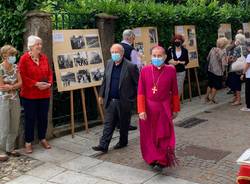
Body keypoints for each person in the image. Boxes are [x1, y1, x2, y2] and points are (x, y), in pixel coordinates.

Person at [138, 46, 180, 171]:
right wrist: (141, 110)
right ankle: (152, 158)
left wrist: (175, 109)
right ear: (151, 57)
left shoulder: (170, 70)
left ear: (165, 57)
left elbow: (175, 91)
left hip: (164, 108)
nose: (156, 58)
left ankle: (162, 160)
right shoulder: (145, 70)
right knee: (149, 135)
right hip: (148, 109)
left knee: (164, 134)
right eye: (154, 56)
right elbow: (140, 92)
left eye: (159, 55)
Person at [92, 44, 139, 153]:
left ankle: (123, 142)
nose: (114, 55)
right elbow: (105, 80)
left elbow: (138, 84)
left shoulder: (131, 66)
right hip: (111, 100)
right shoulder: (109, 63)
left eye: (116, 52)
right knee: (108, 123)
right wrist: (101, 95)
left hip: (124, 101)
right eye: (112, 52)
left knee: (123, 124)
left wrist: (132, 99)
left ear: (122, 53)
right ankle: (103, 145)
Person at [19, 35, 53, 154]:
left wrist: (49, 83)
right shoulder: (24, 59)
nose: (40, 46)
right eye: (37, 44)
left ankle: (42, 138)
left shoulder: (44, 58)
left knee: (43, 117)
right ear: (31, 46)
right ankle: (28, 142)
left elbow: (50, 72)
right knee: (30, 119)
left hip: (44, 94)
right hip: (30, 95)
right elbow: (22, 76)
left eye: (40, 44)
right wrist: (36, 84)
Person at [0, 45, 22, 161]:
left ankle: (10, 148)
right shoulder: (0, 68)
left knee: (14, 123)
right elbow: (1, 86)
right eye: (11, 55)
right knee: (3, 125)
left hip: (15, 99)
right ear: (4, 56)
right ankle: (1, 150)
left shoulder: (16, 67)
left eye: (14, 55)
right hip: (3, 100)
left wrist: (11, 86)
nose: (13, 57)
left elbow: (20, 83)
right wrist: (12, 86)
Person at [120, 29, 143, 131]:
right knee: (128, 102)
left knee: (119, 101)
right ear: (129, 37)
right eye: (133, 37)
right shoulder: (131, 50)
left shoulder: (116, 47)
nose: (134, 39)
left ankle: (118, 123)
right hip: (128, 79)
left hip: (117, 77)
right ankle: (126, 124)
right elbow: (136, 66)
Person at [205, 37, 228, 103]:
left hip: (210, 69)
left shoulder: (212, 49)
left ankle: (206, 97)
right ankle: (212, 99)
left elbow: (207, 58)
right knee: (215, 85)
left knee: (210, 84)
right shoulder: (223, 53)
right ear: (224, 45)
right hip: (218, 71)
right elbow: (224, 64)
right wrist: (228, 60)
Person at [227, 34, 248, 105]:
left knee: (236, 83)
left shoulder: (237, 48)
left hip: (236, 69)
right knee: (238, 83)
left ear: (238, 40)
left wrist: (229, 59)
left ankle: (238, 100)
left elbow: (234, 58)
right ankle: (236, 98)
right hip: (243, 68)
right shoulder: (246, 47)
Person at [240, 40, 250, 111]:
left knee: (248, 91)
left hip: (249, 76)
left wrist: (243, 73)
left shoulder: (249, 55)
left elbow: (247, 65)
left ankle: (248, 107)